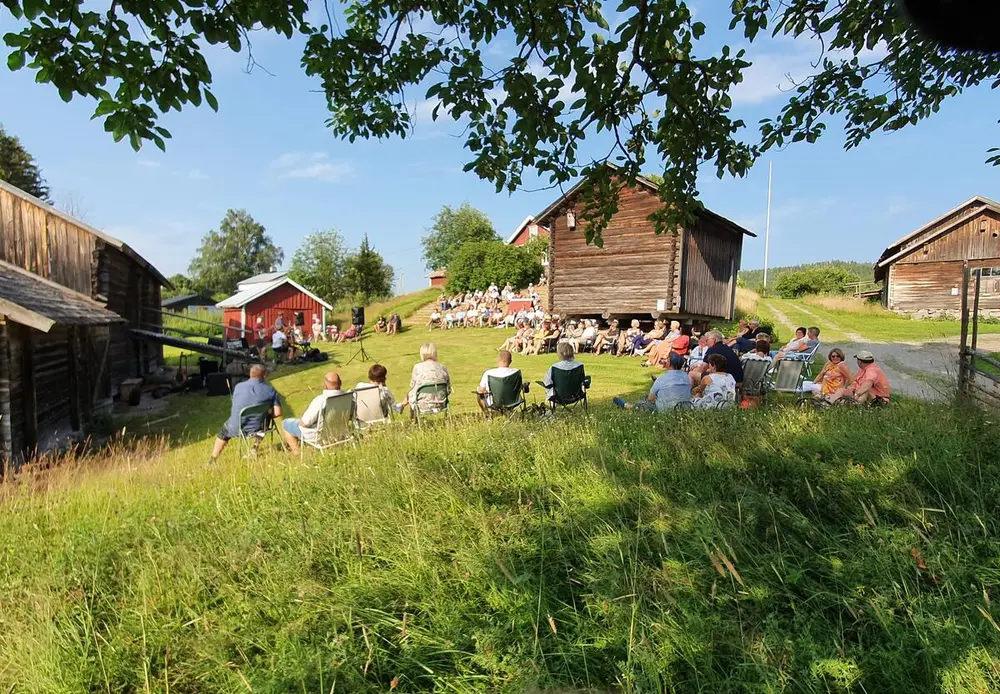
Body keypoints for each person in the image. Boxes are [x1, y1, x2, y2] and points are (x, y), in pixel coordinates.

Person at [210, 364, 282, 462]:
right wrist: (267, 414)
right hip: (258, 427)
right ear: (264, 376)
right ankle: (254, 448)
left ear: (250, 374)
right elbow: (277, 413)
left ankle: (213, 459)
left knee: (223, 433)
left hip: (235, 427)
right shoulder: (270, 390)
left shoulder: (238, 387)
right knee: (266, 418)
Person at [280, 372, 346, 455]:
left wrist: (300, 421)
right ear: (340, 383)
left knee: (285, 423)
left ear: (325, 385)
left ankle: (296, 452)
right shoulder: (347, 397)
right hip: (340, 431)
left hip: (318, 435)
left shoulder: (320, 400)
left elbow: (305, 423)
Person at [614, 352, 691, 412]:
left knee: (645, 404)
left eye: (667, 359)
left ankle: (627, 406)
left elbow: (651, 399)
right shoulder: (686, 377)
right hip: (684, 409)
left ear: (669, 363)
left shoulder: (662, 378)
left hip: (666, 410)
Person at [406, 343, 451, 412]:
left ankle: (414, 420)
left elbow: (413, 386)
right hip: (441, 403)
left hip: (422, 404)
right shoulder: (442, 367)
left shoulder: (417, 367)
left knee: (411, 395)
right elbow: (449, 389)